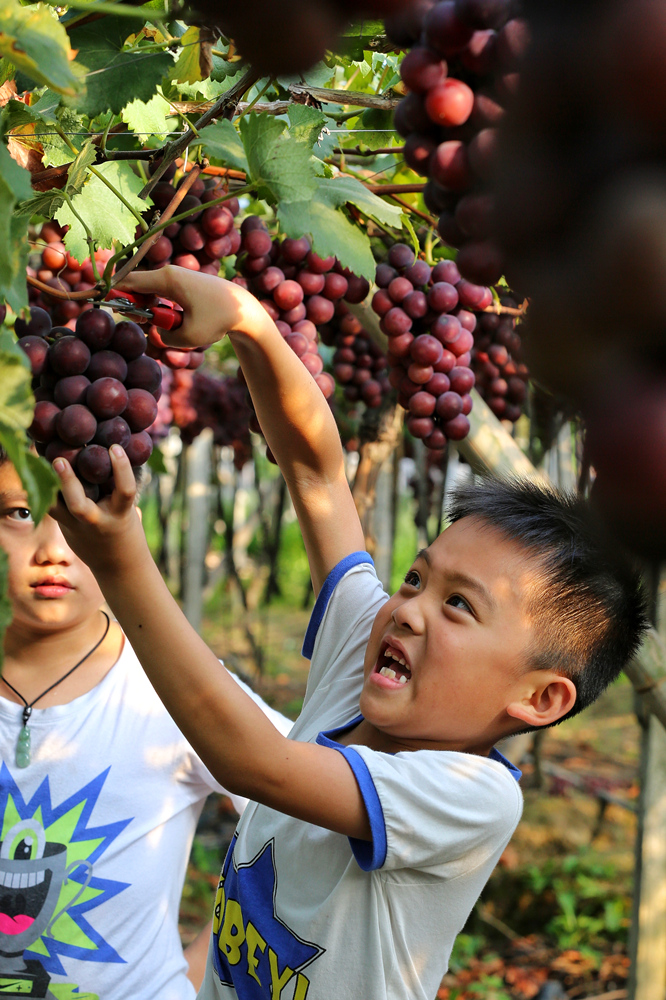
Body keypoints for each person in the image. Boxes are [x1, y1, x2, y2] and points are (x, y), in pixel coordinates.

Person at [52, 265, 648, 1000]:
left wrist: (120, 563)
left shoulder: (471, 795)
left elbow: (254, 763)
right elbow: (316, 476)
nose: (407, 609)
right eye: (415, 578)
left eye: (458, 606)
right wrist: (249, 323)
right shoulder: (363, 669)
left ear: (540, 696)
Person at [0, 449, 292, 1000]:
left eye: (80, 510)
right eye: (20, 512)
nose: (54, 549)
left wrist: (207, 961)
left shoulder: (177, 691)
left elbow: (303, 811)